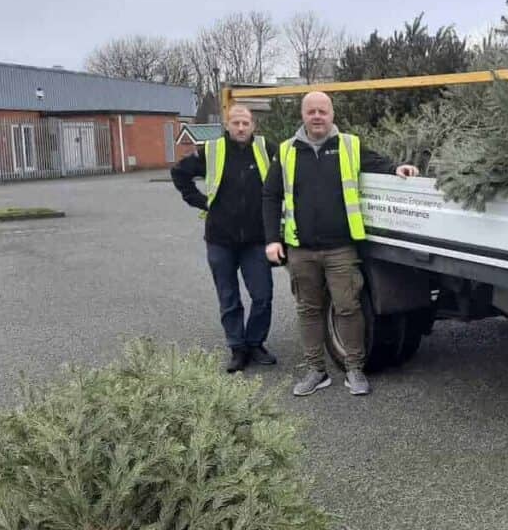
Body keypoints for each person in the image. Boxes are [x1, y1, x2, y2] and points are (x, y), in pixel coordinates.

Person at [262, 91, 418, 396]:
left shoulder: (349, 145)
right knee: (308, 310)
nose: (317, 116)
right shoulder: (286, 151)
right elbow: (270, 196)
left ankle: (354, 369)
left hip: (340, 249)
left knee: (348, 308)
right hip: (301, 249)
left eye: (322, 111)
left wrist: (397, 168)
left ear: (332, 115)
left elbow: (377, 163)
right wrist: (271, 239)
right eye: (311, 112)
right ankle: (315, 371)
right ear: (303, 116)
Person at [171, 104, 278, 373]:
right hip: (221, 239)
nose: (241, 128)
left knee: (262, 295)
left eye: (245, 123)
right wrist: (200, 201)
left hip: (256, 239)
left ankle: (255, 343)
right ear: (227, 125)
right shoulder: (212, 151)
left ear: (253, 125)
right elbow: (179, 173)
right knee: (228, 297)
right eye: (236, 123)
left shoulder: (268, 149)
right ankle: (237, 348)